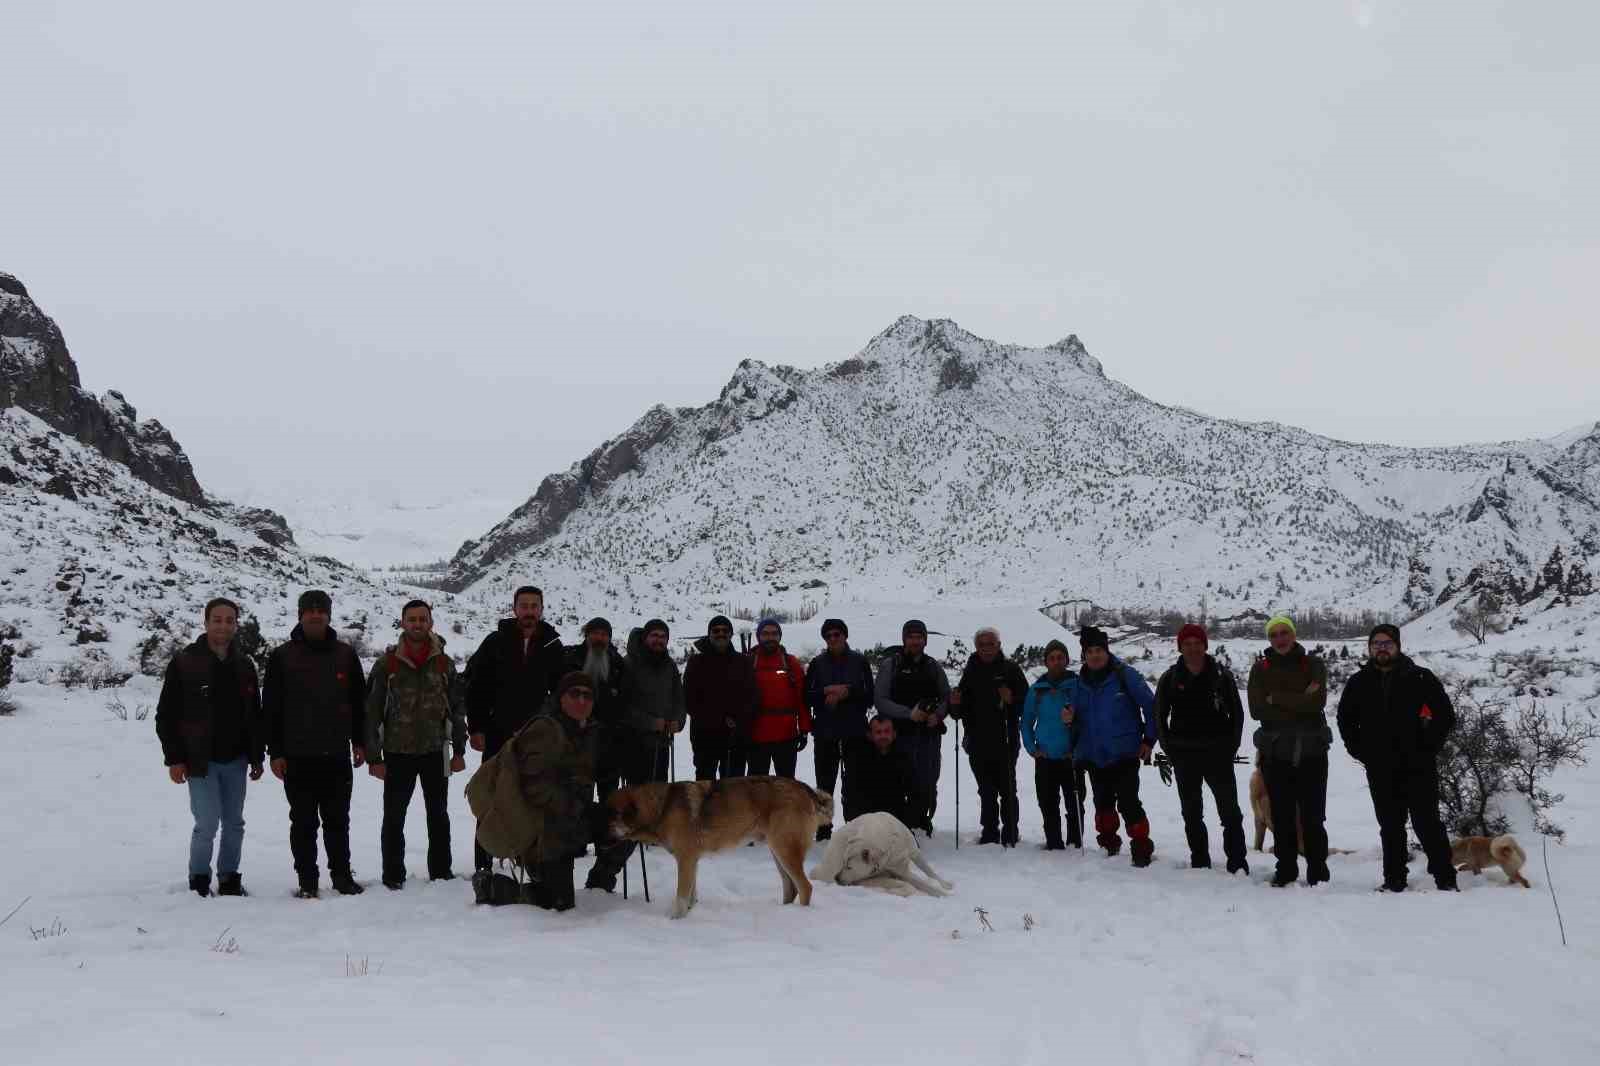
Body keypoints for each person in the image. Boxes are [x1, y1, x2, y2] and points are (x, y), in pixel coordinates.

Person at [155, 597, 265, 897]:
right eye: (217, 619)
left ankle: (229, 877)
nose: (223, 626)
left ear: (236, 625)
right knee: (206, 822)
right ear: (205, 623)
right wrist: (174, 758)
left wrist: (257, 756)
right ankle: (199, 879)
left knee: (234, 822)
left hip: (236, 759)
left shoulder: (244, 665)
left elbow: (254, 714)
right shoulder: (185, 662)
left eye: (229, 620)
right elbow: (166, 715)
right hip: (199, 760)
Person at [1336, 624, 1459, 893]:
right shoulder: (1359, 682)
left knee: (1427, 823)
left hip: (1418, 765)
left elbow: (1445, 716)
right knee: (1390, 826)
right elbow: (1345, 720)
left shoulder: (1420, 678)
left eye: (1387, 643)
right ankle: (1394, 879)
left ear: (1398, 645)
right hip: (1380, 766)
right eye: (1376, 643)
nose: (1381, 648)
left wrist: (1428, 747)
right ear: (1369, 648)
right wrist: (1360, 750)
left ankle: (1445, 878)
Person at [262, 590, 368, 898]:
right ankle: (307, 879)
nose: (315, 614)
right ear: (300, 615)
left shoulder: (345, 654)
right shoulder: (282, 656)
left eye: (321, 609)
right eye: (309, 610)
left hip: (336, 753)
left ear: (329, 615)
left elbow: (357, 703)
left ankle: (342, 876)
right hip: (296, 755)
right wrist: (275, 751)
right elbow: (271, 708)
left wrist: (360, 741)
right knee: (303, 822)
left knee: (338, 820)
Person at [366, 600, 467, 890]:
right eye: (412, 619)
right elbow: (372, 711)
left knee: (439, 815)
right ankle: (393, 875)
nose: (417, 624)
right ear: (403, 623)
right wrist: (375, 757)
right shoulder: (388, 664)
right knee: (394, 817)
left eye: (423, 619)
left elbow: (457, 708)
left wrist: (459, 750)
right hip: (398, 753)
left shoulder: (444, 663)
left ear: (431, 623)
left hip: (436, 751)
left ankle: (440, 873)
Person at [514, 672, 635, 911]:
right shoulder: (544, 730)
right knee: (558, 903)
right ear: (561, 698)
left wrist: (621, 758)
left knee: (628, 824)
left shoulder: (592, 731)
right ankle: (498, 888)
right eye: (574, 694)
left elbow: (601, 772)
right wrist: (572, 807)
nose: (582, 700)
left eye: (587, 695)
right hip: (544, 829)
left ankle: (600, 884)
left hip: (575, 819)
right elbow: (534, 788)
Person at [466, 585, 565, 875]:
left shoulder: (551, 644)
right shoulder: (495, 642)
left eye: (535, 606)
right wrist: (476, 727)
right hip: (497, 731)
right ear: (514, 609)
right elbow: (476, 687)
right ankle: (483, 861)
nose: (529, 612)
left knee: (532, 794)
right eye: (524, 606)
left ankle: (528, 857)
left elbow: (561, 692)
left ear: (541, 609)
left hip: (535, 736)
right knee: (492, 794)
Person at [1154, 623, 1247, 874]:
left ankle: (1238, 861)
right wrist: (1169, 749)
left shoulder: (1220, 675)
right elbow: (1159, 716)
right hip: (1184, 755)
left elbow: (1237, 714)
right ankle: (1199, 859)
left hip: (1218, 753)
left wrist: (1231, 746)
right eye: (1187, 644)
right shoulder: (1170, 678)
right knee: (1192, 813)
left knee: (1230, 813)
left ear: (1205, 646)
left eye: (1197, 643)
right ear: (1180, 648)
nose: (1193, 648)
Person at [1247, 615, 1332, 887]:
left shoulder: (1314, 664)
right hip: (1276, 753)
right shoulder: (1260, 669)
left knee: (1313, 816)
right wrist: (1300, 697)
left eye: (1285, 633)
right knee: (1281, 815)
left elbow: (1317, 702)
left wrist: (1278, 698)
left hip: (1312, 752)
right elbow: (1257, 709)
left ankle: (1318, 870)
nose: (1280, 638)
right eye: (1274, 634)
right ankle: (1286, 869)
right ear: (1269, 639)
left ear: (1293, 635)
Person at [1071, 626, 1158, 867]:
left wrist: (1149, 740)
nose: (1095, 655)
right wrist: (1069, 722)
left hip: (1125, 752)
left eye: (1099, 650)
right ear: (1084, 655)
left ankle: (1141, 845)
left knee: (1129, 802)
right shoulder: (1079, 684)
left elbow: (1151, 707)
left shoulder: (1125, 675)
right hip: (1094, 754)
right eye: (1090, 651)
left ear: (1107, 651)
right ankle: (1109, 842)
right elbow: (1075, 718)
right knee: (1103, 803)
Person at [949, 626, 1027, 846]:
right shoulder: (971, 670)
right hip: (977, 741)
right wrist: (954, 704)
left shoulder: (1011, 670)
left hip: (1006, 739)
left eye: (990, 644)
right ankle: (990, 831)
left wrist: (1011, 699)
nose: (986, 648)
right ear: (976, 647)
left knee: (1008, 789)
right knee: (986, 790)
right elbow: (958, 711)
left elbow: (1026, 704)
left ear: (999, 645)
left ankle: (1011, 831)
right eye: (982, 645)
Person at [872, 619, 950, 836]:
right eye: (911, 637)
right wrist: (909, 714)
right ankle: (897, 823)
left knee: (927, 779)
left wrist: (938, 714)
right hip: (898, 734)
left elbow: (946, 696)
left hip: (928, 734)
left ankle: (921, 820)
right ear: (904, 639)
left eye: (919, 637)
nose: (915, 641)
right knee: (898, 778)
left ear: (925, 640)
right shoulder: (891, 665)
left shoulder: (933, 666)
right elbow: (880, 699)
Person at [804, 618, 874, 839]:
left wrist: (848, 692)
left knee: (854, 782)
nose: (833, 639)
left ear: (845, 636)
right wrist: (826, 692)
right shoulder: (816, 664)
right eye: (829, 635)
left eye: (837, 634)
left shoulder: (860, 661)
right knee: (824, 785)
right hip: (826, 731)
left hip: (855, 731)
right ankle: (823, 830)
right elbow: (807, 696)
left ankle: (854, 827)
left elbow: (869, 696)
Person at [1021, 639, 1081, 850]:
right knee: (1048, 804)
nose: (1056, 662)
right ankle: (1054, 842)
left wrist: (1078, 746)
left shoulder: (1078, 686)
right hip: (1045, 757)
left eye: (1060, 658)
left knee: (1074, 804)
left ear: (1066, 660)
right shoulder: (1037, 690)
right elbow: (1026, 722)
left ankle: (1075, 842)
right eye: (1052, 658)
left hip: (1071, 756)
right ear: (1046, 661)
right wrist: (1032, 748)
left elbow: (1088, 718)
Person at [683, 615, 757, 781]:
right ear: (709, 634)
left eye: (725, 630)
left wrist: (739, 718)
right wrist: (717, 719)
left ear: (731, 634)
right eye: (716, 631)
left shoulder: (743, 662)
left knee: (733, 789)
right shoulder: (696, 662)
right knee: (704, 787)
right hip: (704, 736)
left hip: (735, 736)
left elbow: (752, 696)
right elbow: (689, 699)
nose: (720, 634)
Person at [564, 618, 627, 805]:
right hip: (577, 741)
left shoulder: (617, 663)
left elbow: (625, 700)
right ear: (587, 635)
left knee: (610, 800)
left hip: (610, 742)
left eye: (604, 634)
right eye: (595, 633)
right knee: (577, 800)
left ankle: (606, 835)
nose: (600, 638)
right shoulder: (571, 658)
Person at [619, 618, 686, 787]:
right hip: (635, 743)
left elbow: (678, 698)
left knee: (660, 795)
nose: (659, 639)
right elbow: (622, 705)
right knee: (637, 796)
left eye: (663, 636)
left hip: (662, 743)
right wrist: (650, 722)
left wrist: (679, 721)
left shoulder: (669, 665)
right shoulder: (629, 663)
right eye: (654, 635)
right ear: (645, 637)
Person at [746, 618, 811, 778]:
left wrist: (804, 729)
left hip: (786, 736)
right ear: (758, 636)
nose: (770, 637)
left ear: (780, 636)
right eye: (765, 634)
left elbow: (801, 699)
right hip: (756, 736)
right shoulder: (748, 661)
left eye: (774, 634)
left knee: (787, 786)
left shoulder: (790, 663)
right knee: (756, 787)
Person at [842, 715, 917, 826]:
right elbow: (850, 794)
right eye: (878, 732)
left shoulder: (903, 758)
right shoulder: (859, 760)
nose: (883, 736)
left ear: (894, 734)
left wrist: (906, 821)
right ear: (870, 735)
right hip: (865, 820)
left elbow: (914, 792)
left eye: (887, 731)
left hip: (896, 820)